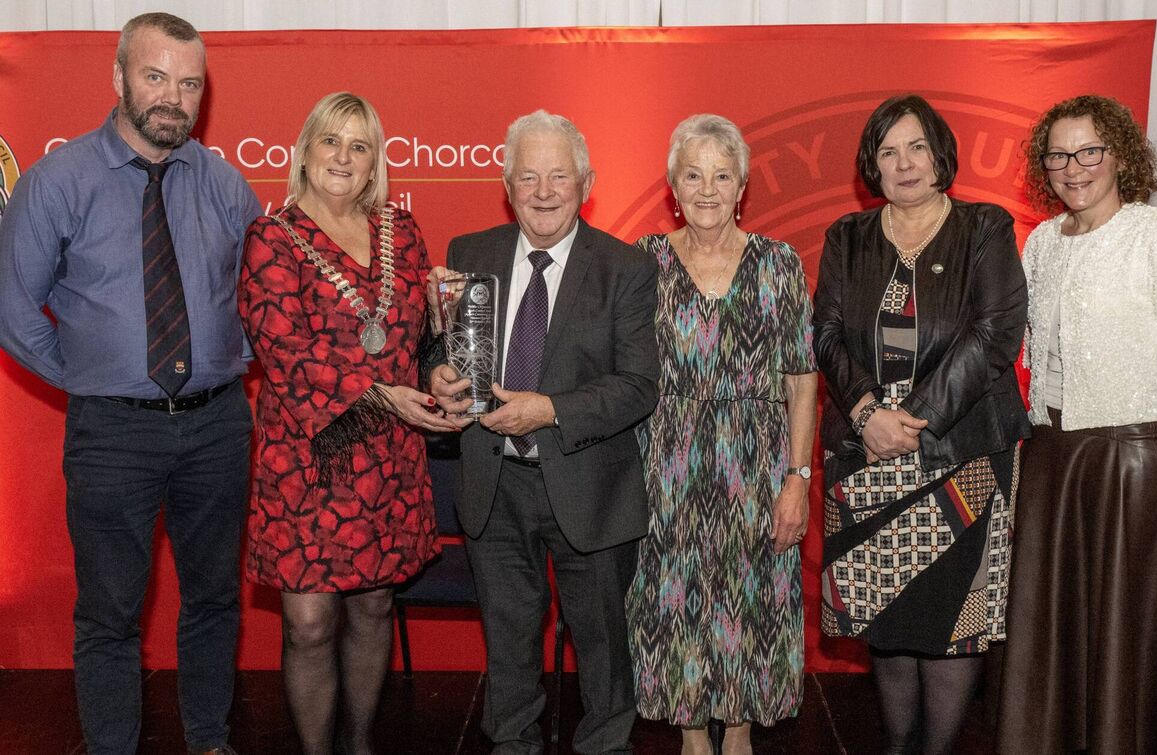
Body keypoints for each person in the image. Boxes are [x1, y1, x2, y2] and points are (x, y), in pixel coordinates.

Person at [0, 13, 258, 755]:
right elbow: (16, 310)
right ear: (117, 78)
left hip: (217, 426)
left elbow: (265, 294)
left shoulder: (223, 182)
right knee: (110, 611)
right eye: (155, 77)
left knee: (213, 598)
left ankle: (210, 740)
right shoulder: (58, 181)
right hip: (112, 433)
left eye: (189, 83)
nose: (173, 97)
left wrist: (223, 359)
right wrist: (99, 377)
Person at [428, 110, 658, 754]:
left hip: (590, 484)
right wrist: (442, 375)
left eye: (559, 175)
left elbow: (639, 385)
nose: (544, 190)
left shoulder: (626, 268)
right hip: (493, 483)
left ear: (587, 181)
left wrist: (549, 409)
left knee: (603, 647)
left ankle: (605, 746)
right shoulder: (466, 254)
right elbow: (439, 354)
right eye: (527, 176)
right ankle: (511, 744)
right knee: (508, 640)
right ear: (506, 184)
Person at [238, 92, 461, 755]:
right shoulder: (270, 237)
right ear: (305, 150)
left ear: (374, 164)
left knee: (374, 605)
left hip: (387, 455)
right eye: (331, 140)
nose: (343, 156)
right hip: (307, 455)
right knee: (308, 621)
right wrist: (383, 393)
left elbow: (419, 341)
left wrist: (438, 373)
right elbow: (283, 352)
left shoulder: (403, 231)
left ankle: (360, 743)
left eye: (359, 146)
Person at [812, 94, 1030, 755]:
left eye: (916, 147)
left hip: (960, 451)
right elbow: (824, 334)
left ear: (940, 155)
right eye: (887, 150)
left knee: (953, 619)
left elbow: (995, 333)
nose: (903, 163)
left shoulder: (984, 227)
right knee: (887, 616)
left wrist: (914, 419)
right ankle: (896, 744)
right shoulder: (847, 238)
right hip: (865, 452)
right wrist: (866, 414)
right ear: (870, 165)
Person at [996, 95, 1157, 755]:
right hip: (1054, 459)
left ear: (1120, 155)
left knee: (1130, 633)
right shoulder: (1043, 244)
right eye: (1059, 154)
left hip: (1138, 461)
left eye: (1090, 151)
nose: (1074, 167)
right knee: (1055, 630)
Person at [623, 114, 817, 755]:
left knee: (751, 598)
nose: (707, 189)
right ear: (673, 188)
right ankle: (689, 734)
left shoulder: (779, 264)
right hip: (666, 469)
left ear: (743, 188)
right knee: (674, 600)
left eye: (722, 175)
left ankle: (737, 732)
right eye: (692, 174)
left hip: (758, 471)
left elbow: (801, 381)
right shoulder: (641, 264)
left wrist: (798, 479)